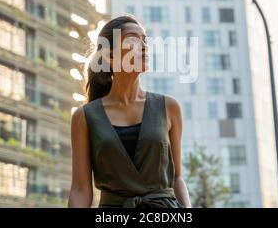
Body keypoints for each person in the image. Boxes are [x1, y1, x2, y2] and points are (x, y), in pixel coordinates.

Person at [68, 15, 191, 208]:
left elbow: (177, 178)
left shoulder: (169, 107)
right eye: (133, 39)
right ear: (109, 56)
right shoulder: (84, 117)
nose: (144, 46)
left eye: (145, 40)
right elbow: (80, 189)